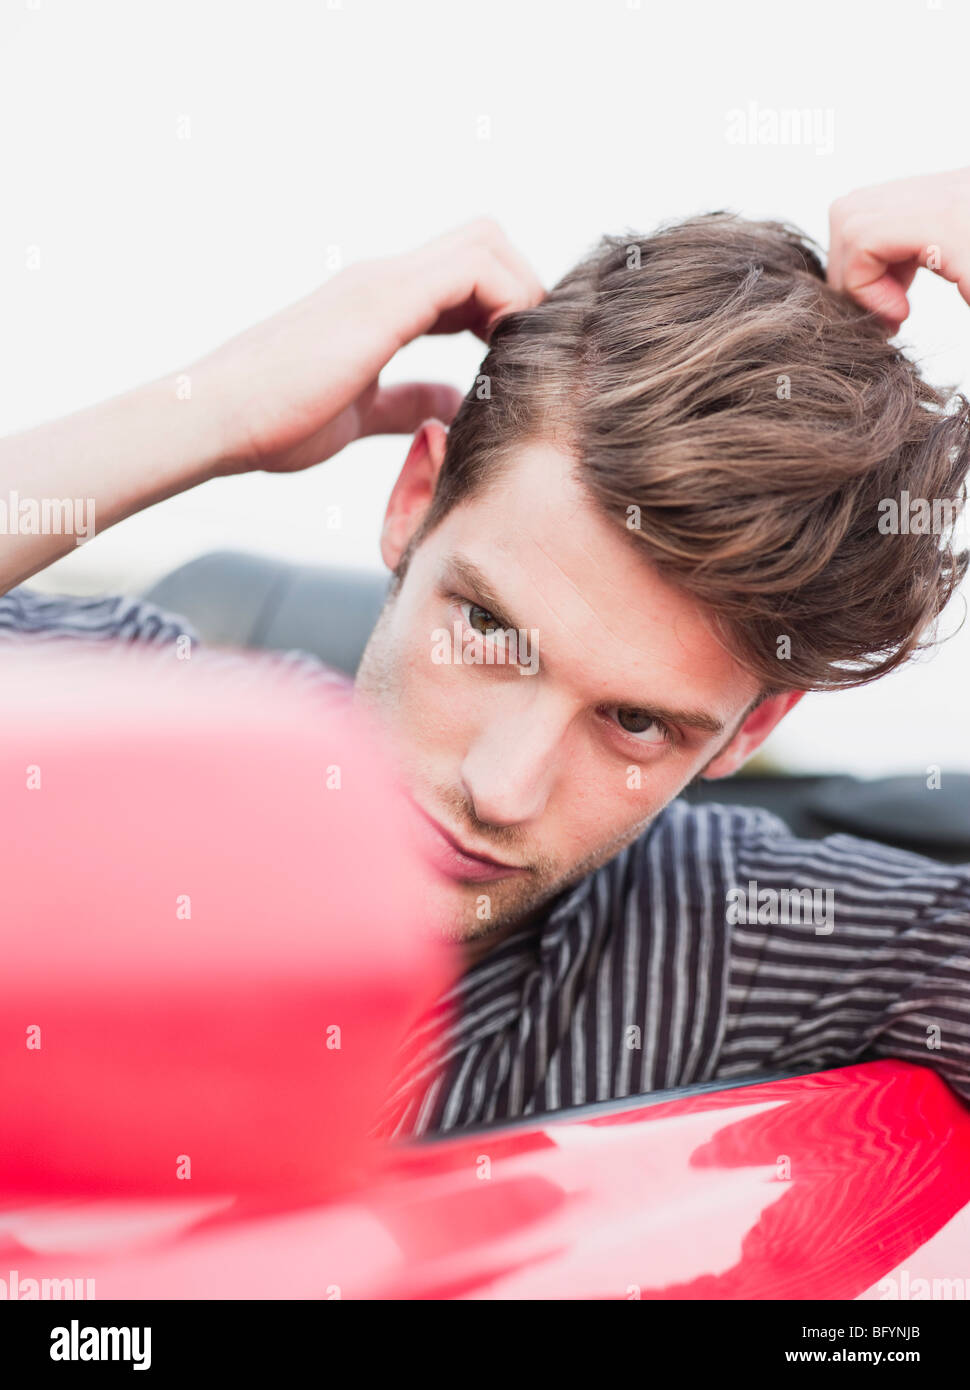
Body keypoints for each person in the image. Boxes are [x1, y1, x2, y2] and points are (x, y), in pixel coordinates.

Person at [2, 174, 969, 1140]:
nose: (501, 789)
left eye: (634, 722)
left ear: (751, 727)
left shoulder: (742, 936)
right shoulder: (128, 738)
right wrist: (213, 412)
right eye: (490, 630)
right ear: (413, 502)